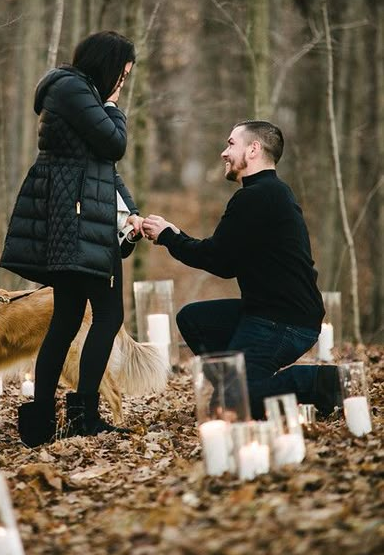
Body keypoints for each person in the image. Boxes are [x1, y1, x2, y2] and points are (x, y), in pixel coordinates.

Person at [0, 30, 143, 447]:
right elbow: (114, 145)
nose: (122, 82)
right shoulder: (74, 90)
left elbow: (104, 169)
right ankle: (81, 416)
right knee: (107, 315)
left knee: (66, 319)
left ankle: (44, 421)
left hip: (82, 216)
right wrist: (115, 107)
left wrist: (129, 210)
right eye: (123, 73)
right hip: (76, 220)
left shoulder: (78, 93)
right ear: (108, 64)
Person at [143, 120, 341, 419]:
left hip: (284, 321)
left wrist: (169, 235)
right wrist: (174, 235)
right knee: (195, 320)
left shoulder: (258, 196)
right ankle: (238, 388)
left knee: (233, 404)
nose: (224, 152)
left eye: (231, 143)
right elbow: (227, 262)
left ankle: (323, 382)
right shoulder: (267, 194)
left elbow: (218, 260)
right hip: (266, 313)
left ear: (254, 148)